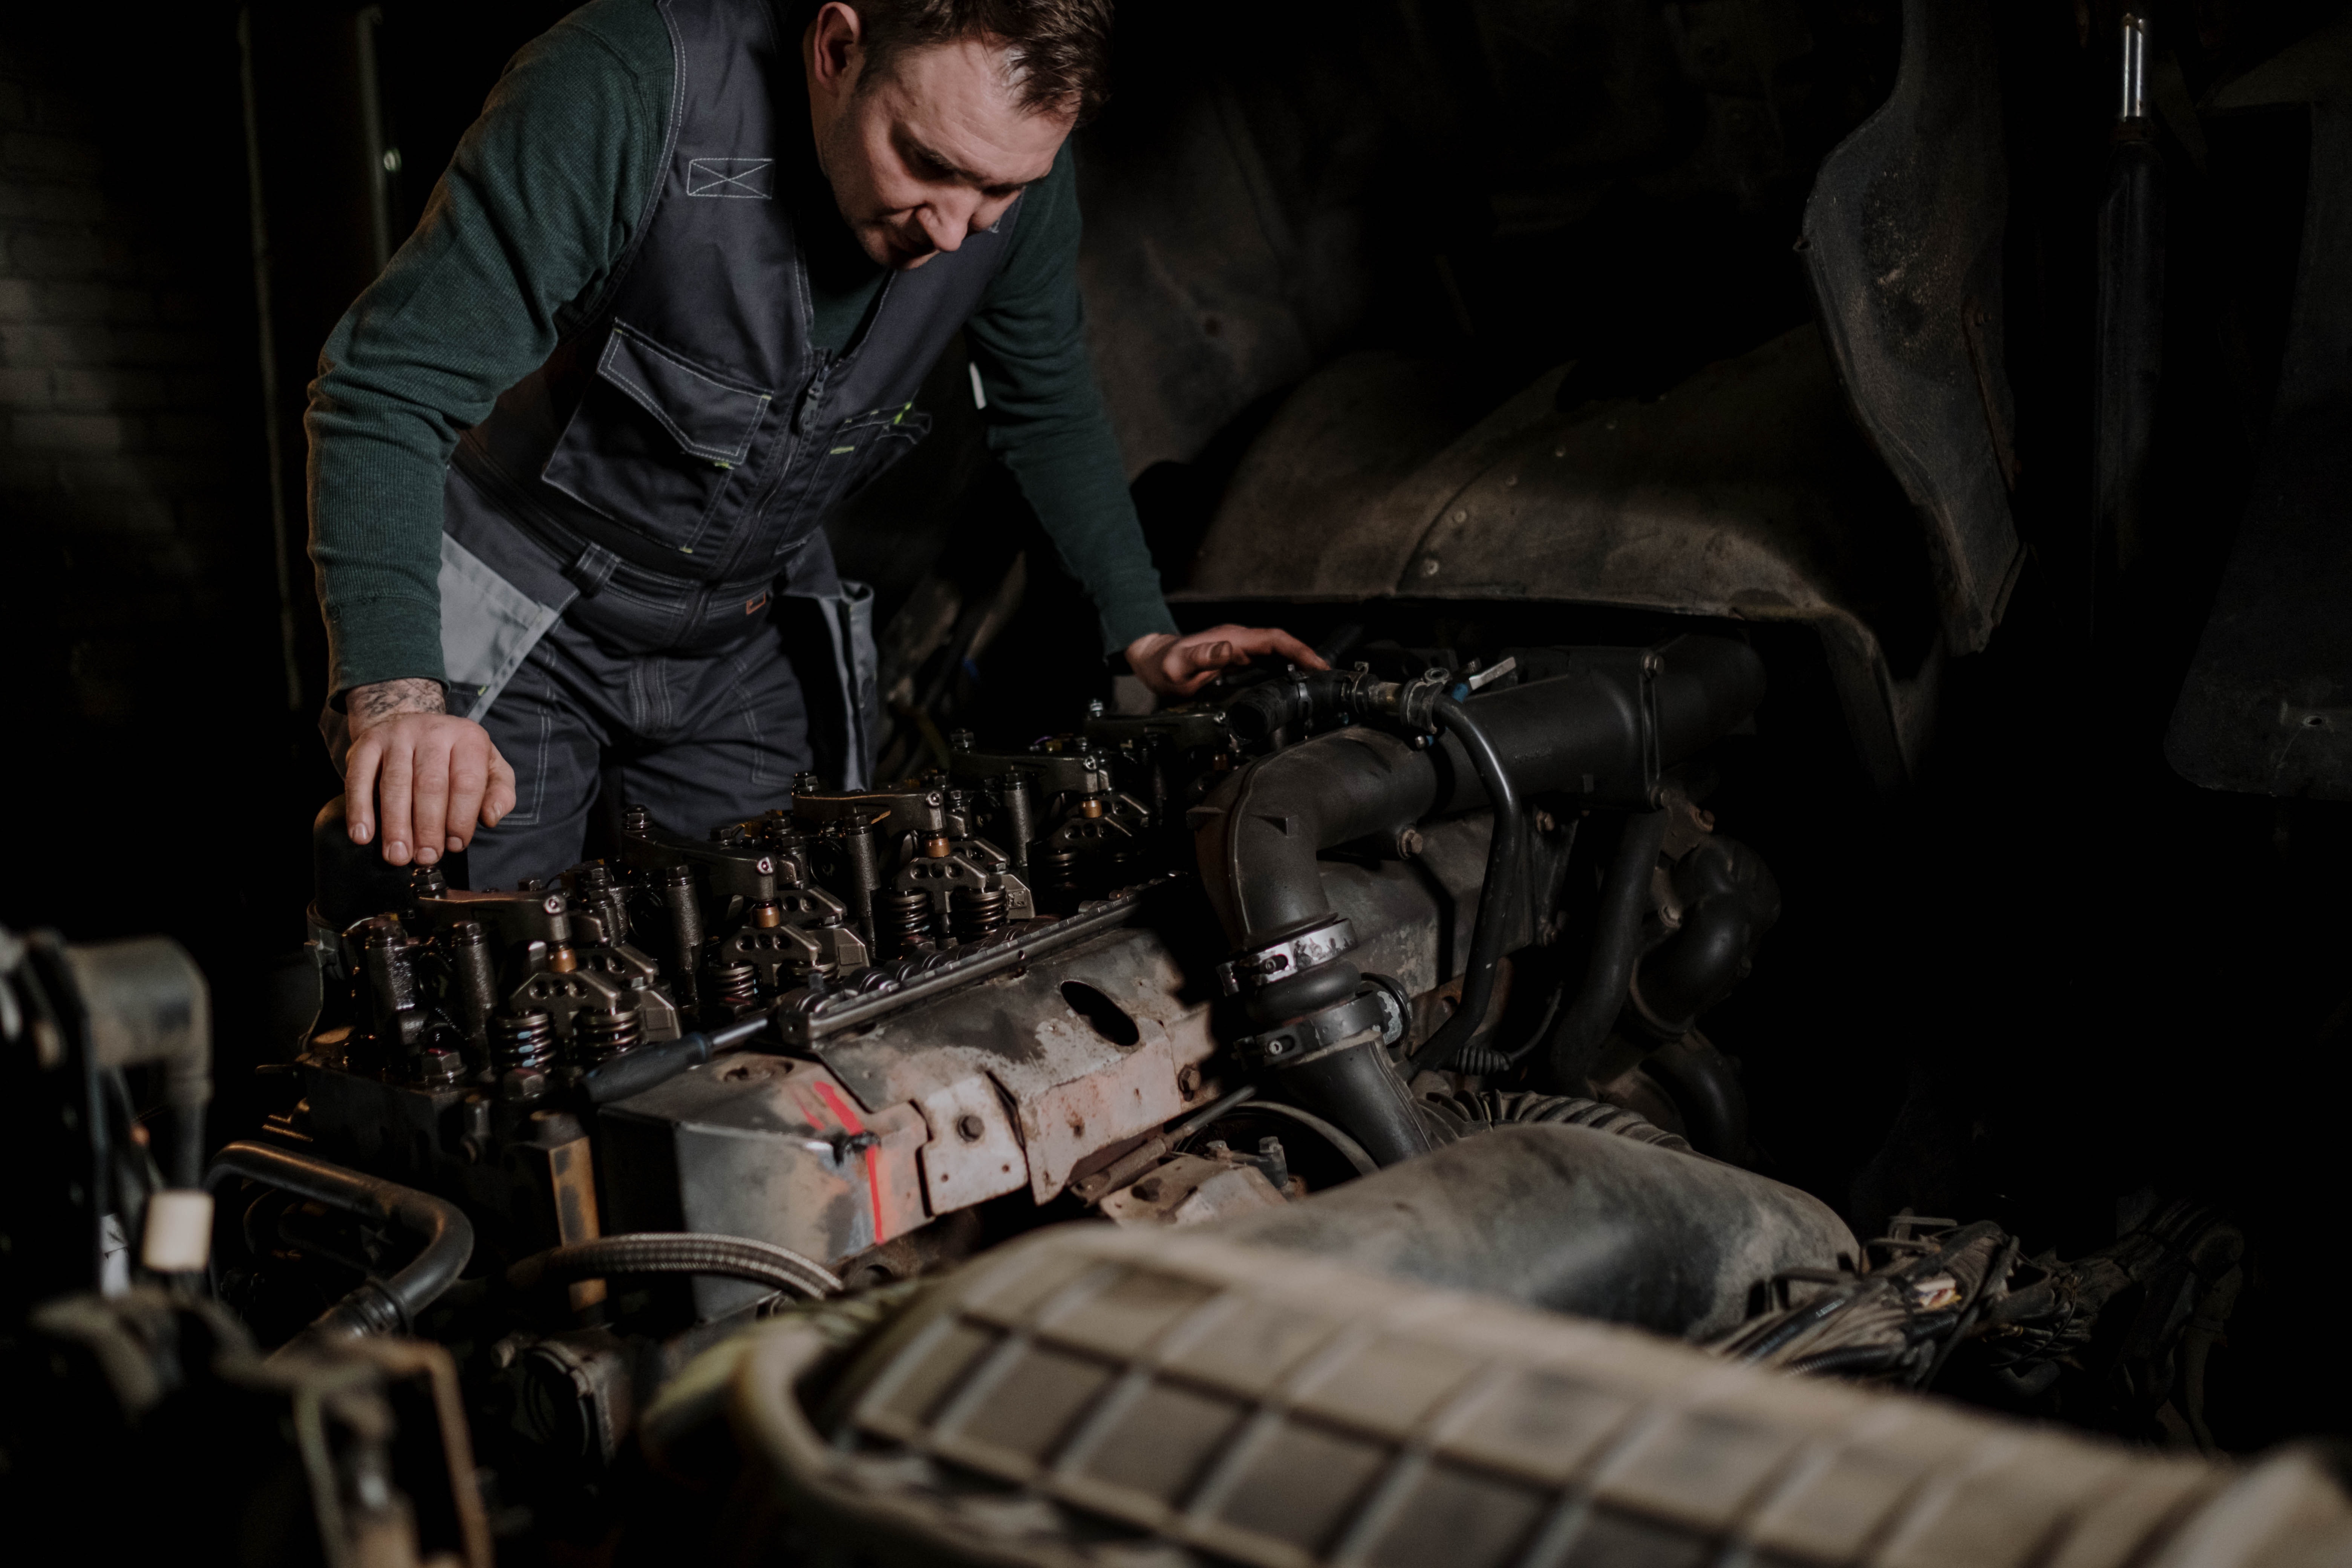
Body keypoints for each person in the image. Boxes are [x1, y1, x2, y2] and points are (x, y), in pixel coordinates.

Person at [308, 0, 1323, 887]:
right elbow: (387, 387)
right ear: (837, 48)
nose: (959, 231)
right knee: (502, 990)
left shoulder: (1009, 181)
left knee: (782, 961)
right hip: (534, 616)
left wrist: (1146, 635)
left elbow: (1047, 405)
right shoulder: (625, 83)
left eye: (1002, 191)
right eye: (928, 164)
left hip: (737, 638)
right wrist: (400, 700)